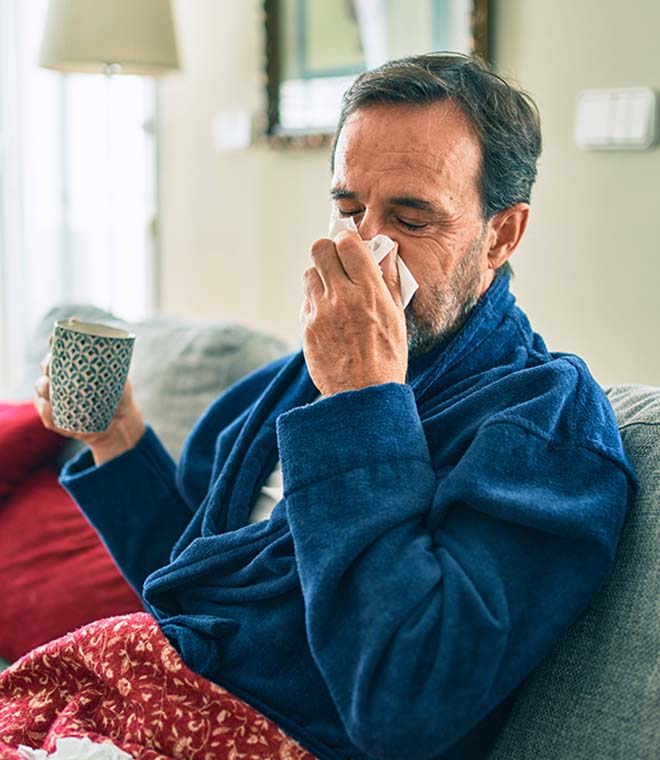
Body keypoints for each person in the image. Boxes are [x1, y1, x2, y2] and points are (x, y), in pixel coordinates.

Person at [34, 53, 636, 760]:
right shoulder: (287, 385)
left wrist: (362, 402)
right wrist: (119, 436)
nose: (364, 247)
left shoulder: (547, 429)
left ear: (501, 234)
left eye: (411, 217)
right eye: (348, 209)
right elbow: (196, 592)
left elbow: (405, 702)